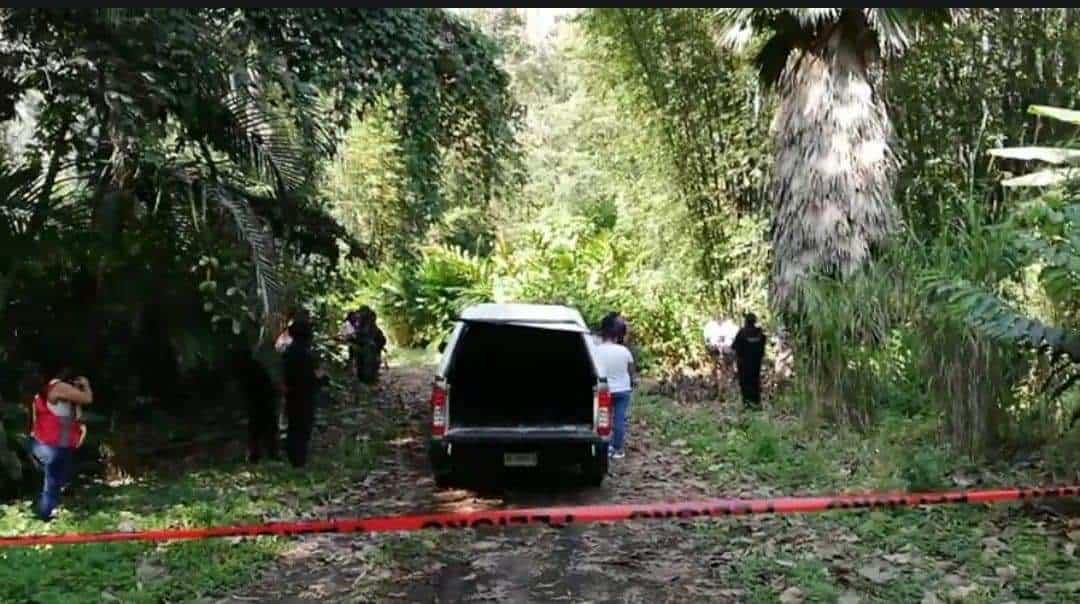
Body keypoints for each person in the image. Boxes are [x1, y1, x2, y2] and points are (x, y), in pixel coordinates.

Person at [27, 367, 93, 521]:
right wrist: (86, 384)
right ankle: (44, 517)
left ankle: (44, 512)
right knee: (52, 484)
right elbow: (87, 398)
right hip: (53, 446)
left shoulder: (42, 392)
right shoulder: (59, 387)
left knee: (54, 482)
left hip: (42, 443)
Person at [281, 317, 323, 467]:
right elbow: (312, 376)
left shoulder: (288, 352)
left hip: (292, 394)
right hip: (305, 395)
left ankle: (295, 458)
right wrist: (321, 379)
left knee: (294, 426)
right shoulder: (306, 354)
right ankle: (299, 460)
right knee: (303, 427)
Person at [595, 314, 636, 459]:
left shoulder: (596, 351)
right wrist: (632, 382)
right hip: (623, 390)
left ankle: (603, 447)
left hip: (604, 390)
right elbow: (631, 372)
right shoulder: (624, 351)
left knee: (603, 418)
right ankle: (617, 448)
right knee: (619, 419)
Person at [231, 348, 279, 463]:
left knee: (257, 430)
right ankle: (268, 453)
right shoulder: (254, 367)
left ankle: (259, 455)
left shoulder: (248, 369)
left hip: (260, 401)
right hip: (263, 401)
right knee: (265, 430)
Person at [732, 313, 767, 408]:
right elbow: (762, 347)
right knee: (755, 382)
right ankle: (756, 403)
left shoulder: (742, 333)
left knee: (745, 384)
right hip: (756, 364)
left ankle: (747, 403)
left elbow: (734, 347)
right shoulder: (760, 334)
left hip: (743, 364)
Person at [353, 306, 387, 385]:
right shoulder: (362, 326)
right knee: (364, 368)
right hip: (365, 351)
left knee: (368, 368)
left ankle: (369, 381)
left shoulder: (370, 327)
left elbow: (381, 340)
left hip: (370, 351)